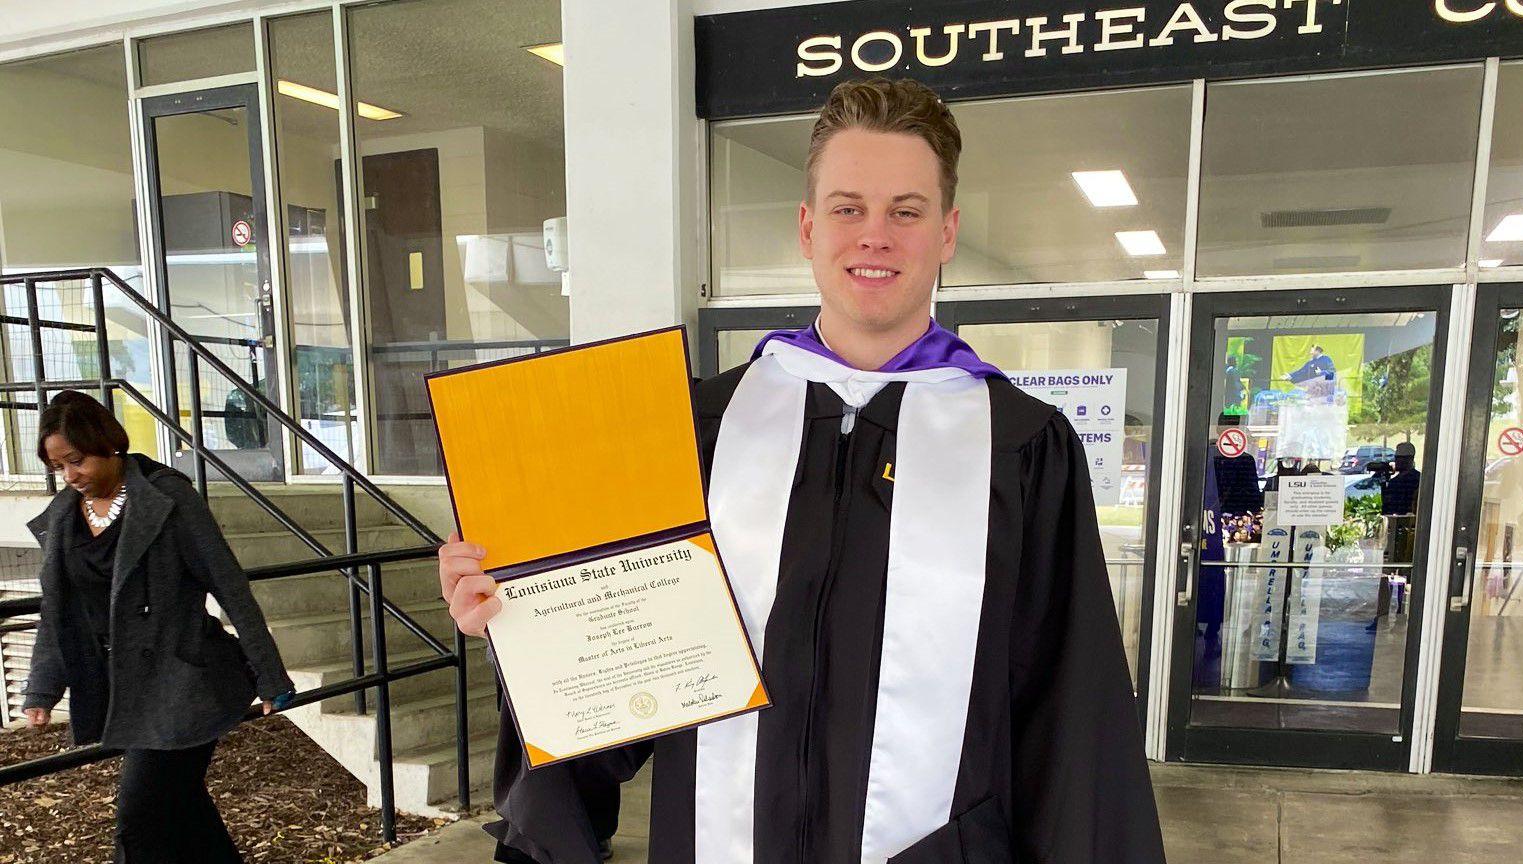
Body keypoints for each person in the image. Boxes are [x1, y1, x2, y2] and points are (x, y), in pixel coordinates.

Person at [440, 77, 1164, 863]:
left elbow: (1069, 720)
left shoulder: (1020, 447)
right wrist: (517, 614)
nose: (874, 236)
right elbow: (608, 683)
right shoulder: (697, 430)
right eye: (849, 208)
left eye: (906, 211)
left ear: (947, 231)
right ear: (807, 226)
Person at [21, 390, 295, 863]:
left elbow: (229, 586)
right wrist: (42, 689)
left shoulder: (168, 498)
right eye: (58, 467)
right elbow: (58, 612)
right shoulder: (66, 518)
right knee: (182, 806)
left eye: (78, 461)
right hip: (125, 684)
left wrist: (270, 674)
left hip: (185, 679)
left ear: (109, 444)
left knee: (140, 817)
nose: (70, 477)